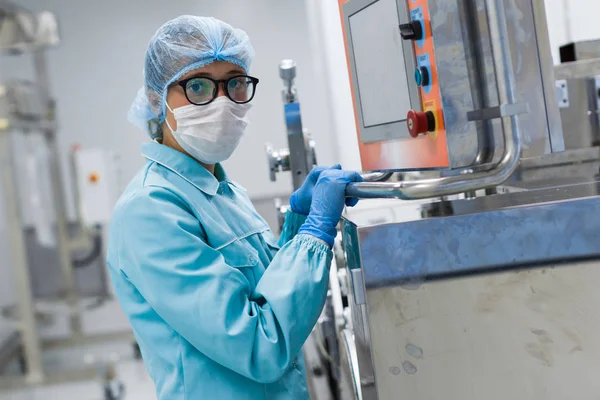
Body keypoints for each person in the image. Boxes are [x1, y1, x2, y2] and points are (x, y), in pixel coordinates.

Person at [107, 15, 363, 400]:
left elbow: (266, 291)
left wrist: (299, 222)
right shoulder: (150, 210)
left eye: (236, 83)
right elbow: (260, 346)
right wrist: (315, 235)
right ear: (156, 99)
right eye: (198, 86)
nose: (223, 101)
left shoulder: (225, 192)